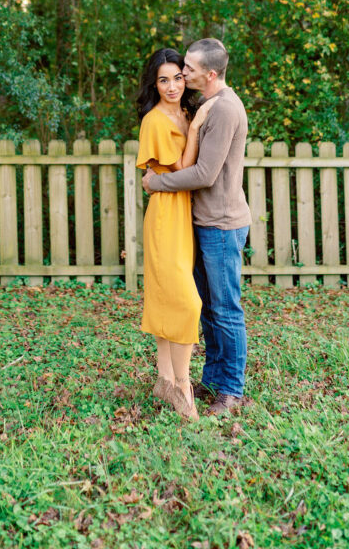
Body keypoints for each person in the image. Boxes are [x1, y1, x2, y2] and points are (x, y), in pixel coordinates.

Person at [142, 38, 251, 417]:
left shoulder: (222, 110)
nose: (181, 75)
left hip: (221, 223)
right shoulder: (204, 106)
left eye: (187, 69)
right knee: (209, 310)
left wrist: (156, 183)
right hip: (202, 221)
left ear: (209, 73)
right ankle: (214, 380)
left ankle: (232, 391)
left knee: (225, 310)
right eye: (174, 71)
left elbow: (204, 174)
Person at [135, 48, 215, 420]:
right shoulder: (155, 120)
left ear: (187, 79)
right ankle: (183, 386)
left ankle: (164, 379)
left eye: (178, 78)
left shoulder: (184, 111)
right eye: (163, 80)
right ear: (155, 83)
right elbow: (183, 166)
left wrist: (193, 121)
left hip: (186, 212)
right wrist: (197, 128)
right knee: (186, 301)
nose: (171, 86)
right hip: (167, 213)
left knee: (170, 295)